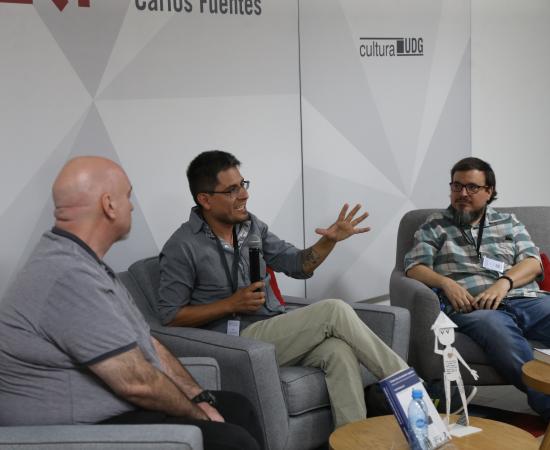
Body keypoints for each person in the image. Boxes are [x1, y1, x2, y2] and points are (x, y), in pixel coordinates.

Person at [0, 156, 262, 450]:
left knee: (237, 407)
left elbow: (148, 344)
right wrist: (199, 415)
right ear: (109, 205)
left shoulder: (87, 265)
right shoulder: (66, 274)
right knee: (231, 441)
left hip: (118, 409)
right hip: (82, 429)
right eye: (127, 196)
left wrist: (199, 397)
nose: (132, 206)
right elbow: (137, 383)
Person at [157, 150, 409, 428]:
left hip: (273, 328)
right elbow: (171, 316)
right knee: (334, 310)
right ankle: (409, 391)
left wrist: (329, 241)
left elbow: (297, 264)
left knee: (338, 351)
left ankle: (353, 442)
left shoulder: (251, 226)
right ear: (205, 199)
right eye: (232, 190)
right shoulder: (182, 246)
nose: (244, 195)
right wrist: (230, 305)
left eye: (243, 185)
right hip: (237, 343)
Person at [404, 156, 550, 420]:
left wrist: (504, 283)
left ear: (489, 191)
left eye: (472, 187)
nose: (462, 193)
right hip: (476, 308)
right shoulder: (434, 225)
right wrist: (446, 282)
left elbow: (533, 262)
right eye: (457, 186)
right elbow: (414, 267)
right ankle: (547, 404)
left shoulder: (508, 222)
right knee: (498, 332)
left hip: (524, 297)